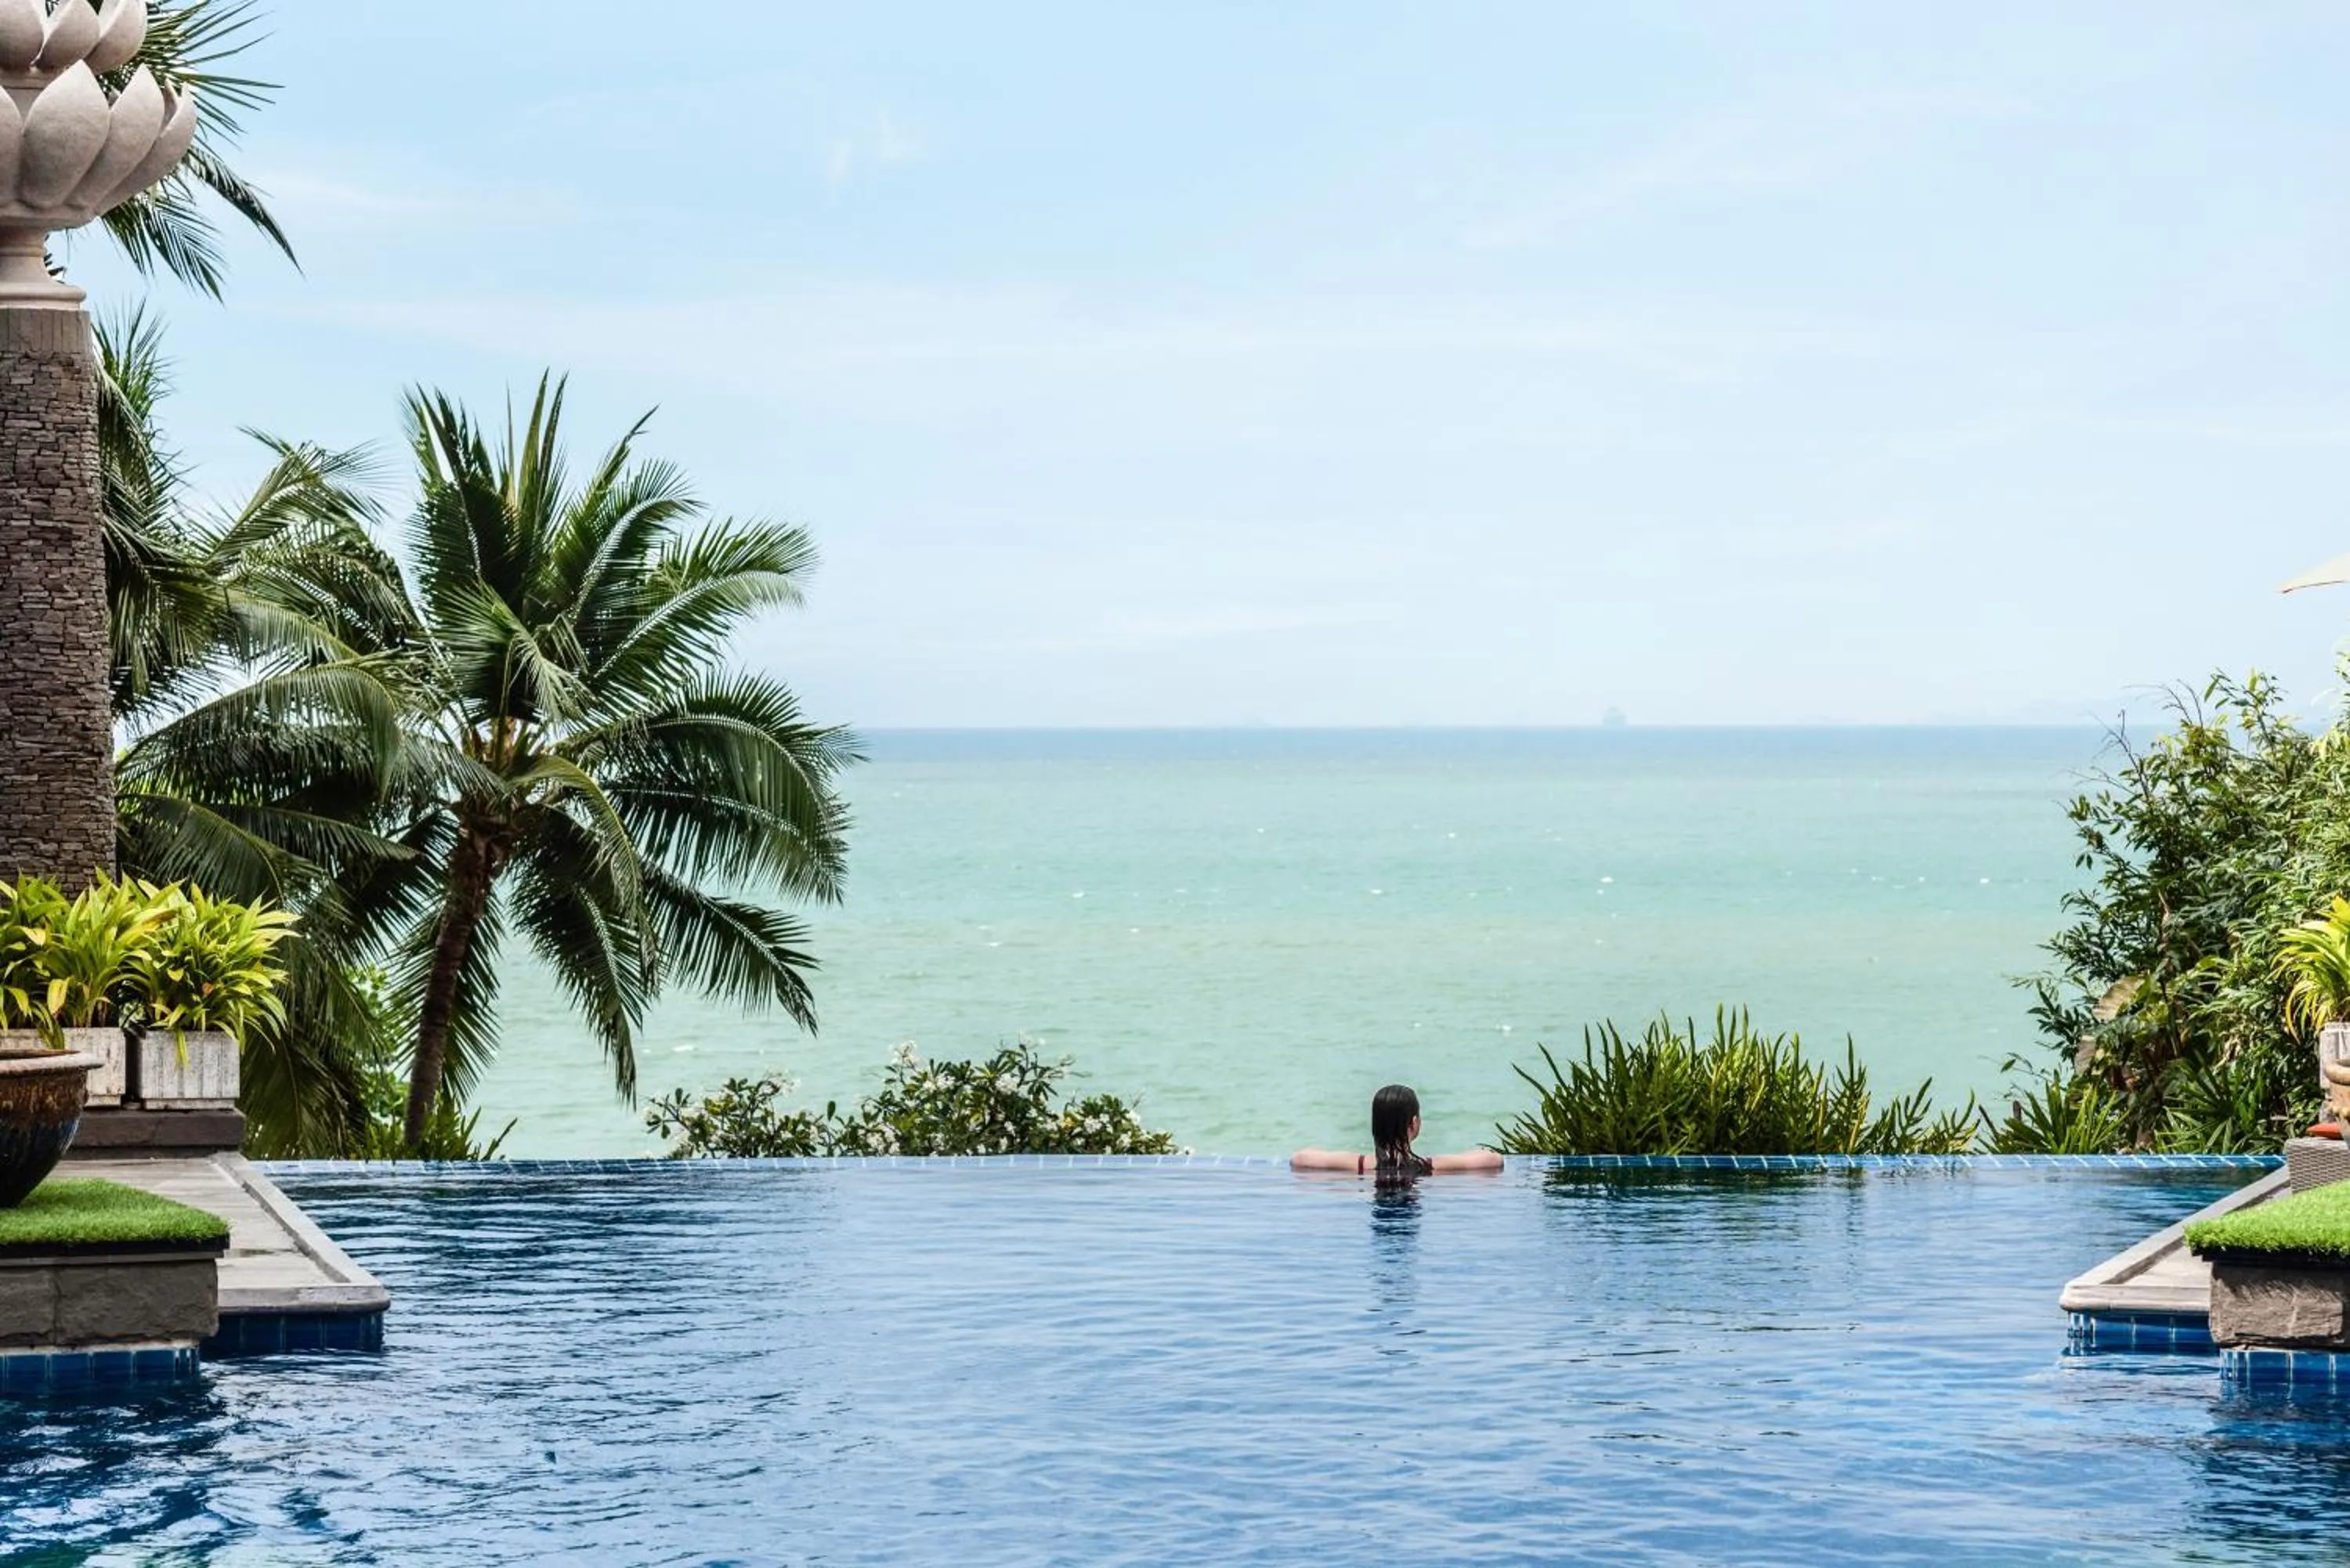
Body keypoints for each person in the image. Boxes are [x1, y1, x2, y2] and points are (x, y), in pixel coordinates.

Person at [1289, 1084, 1504, 1176]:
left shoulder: (1359, 1165)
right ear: (1414, 1123)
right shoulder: (1430, 1167)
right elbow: (1493, 1160)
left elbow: (1299, 1158)